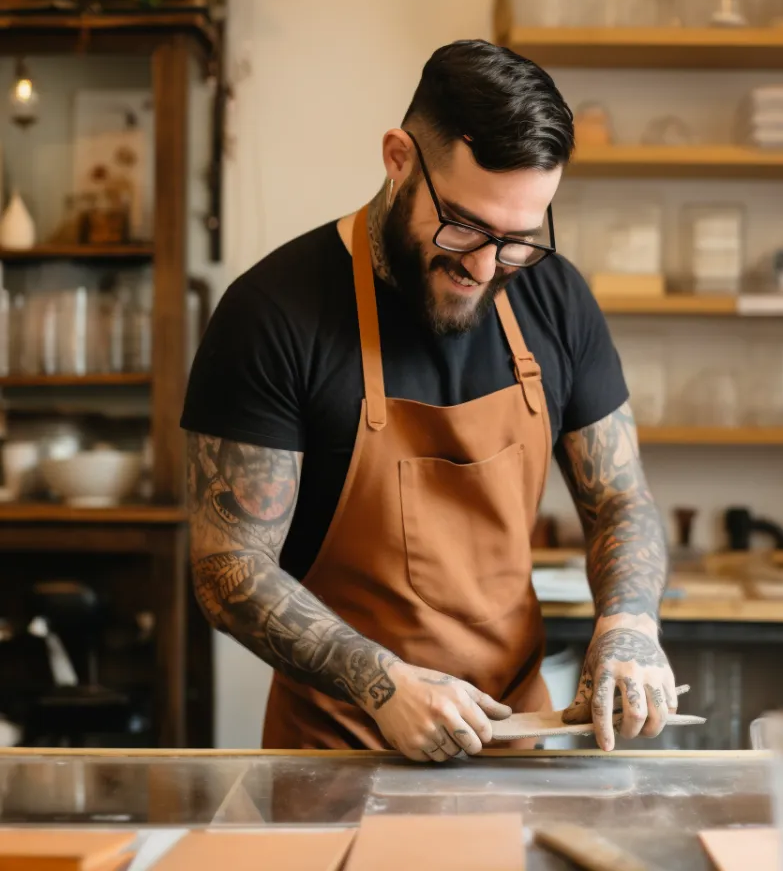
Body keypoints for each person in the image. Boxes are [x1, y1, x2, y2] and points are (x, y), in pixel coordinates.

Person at [181, 39, 676, 761]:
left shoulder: (555, 297)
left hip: (513, 741)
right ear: (399, 159)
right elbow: (229, 570)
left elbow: (620, 500)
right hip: (341, 751)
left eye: (518, 238)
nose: (486, 265)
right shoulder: (273, 314)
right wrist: (382, 683)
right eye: (465, 226)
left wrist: (628, 625)